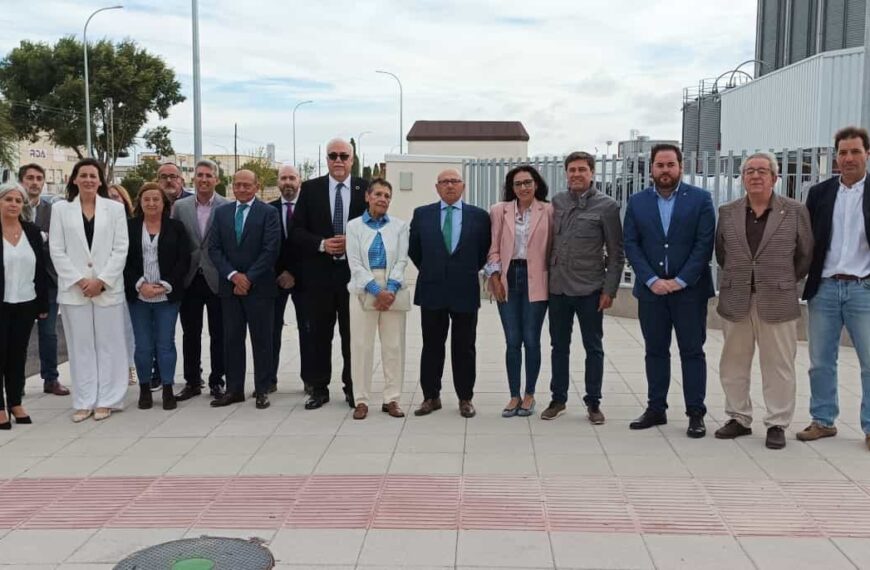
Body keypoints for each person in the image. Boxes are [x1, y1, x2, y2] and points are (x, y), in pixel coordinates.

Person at [714, 152, 813, 450]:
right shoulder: (727, 212)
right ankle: (738, 418)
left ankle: (777, 423)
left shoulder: (794, 211)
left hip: (778, 298)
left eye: (762, 171)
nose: (756, 176)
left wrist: (781, 280)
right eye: (750, 171)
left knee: (779, 365)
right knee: (733, 363)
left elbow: (805, 255)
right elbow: (722, 254)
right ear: (743, 177)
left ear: (775, 177)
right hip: (737, 298)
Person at [622, 144, 716, 438]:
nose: (665, 170)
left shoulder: (700, 199)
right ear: (651, 169)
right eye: (660, 165)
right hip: (652, 292)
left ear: (680, 167)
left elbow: (704, 245)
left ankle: (695, 413)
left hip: (689, 292)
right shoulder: (637, 202)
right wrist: (651, 279)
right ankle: (656, 408)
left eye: (670, 165)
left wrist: (681, 280)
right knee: (655, 351)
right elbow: (631, 244)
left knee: (692, 351)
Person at [799, 126, 870, 451]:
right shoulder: (820, 193)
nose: (849, 158)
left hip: (863, 289)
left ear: (867, 154)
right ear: (836, 157)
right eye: (843, 152)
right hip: (825, 288)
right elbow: (807, 241)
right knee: (820, 361)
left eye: (855, 151)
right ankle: (823, 420)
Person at [544, 152, 624, 422]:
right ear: (566, 173)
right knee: (559, 346)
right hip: (558, 288)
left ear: (592, 173)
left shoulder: (607, 206)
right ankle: (558, 399)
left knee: (593, 347)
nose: (576, 174)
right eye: (571, 170)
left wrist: (609, 290)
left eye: (582, 169)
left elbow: (616, 253)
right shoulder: (556, 202)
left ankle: (593, 402)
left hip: (590, 289)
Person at [49, 158, 129, 422]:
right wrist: (81, 280)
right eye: (83, 175)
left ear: (100, 181)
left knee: (109, 345)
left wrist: (102, 280)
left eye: (93, 176)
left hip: (107, 289)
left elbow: (120, 249)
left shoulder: (114, 210)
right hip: (76, 290)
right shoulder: (61, 209)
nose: (88, 180)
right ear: (74, 179)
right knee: (80, 346)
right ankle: (84, 401)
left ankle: (107, 399)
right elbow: (57, 250)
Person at [291, 139, 367, 410]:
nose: (338, 160)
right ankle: (319, 389)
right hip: (319, 277)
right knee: (319, 336)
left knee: (351, 335)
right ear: (326, 159)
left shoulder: (364, 189)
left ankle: (352, 388)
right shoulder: (310, 189)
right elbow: (297, 231)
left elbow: (375, 230)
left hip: (352, 276)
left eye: (343, 155)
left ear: (352, 158)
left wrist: (354, 241)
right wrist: (322, 244)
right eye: (332, 155)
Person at [409, 169, 491, 418]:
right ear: (437, 187)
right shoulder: (422, 214)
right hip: (432, 288)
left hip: (464, 289)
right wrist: (435, 269)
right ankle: (431, 397)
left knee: (464, 346)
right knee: (432, 345)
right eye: (444, 182)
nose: (450, 186)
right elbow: (415, 250)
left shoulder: (479, 216)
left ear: (463, 186)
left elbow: (483, 252)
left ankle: (465, 398)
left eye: (454, 181)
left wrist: (460, 270)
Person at [208, 169, 281, 410]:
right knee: (232, 340)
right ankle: (234, 389)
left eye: (246, 185)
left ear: (256, 186)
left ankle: (262, 390)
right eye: (237, 184)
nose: (241, 189)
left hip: (259, 288)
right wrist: (233, 276)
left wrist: (248, 278)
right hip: (230, 289)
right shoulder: (221, 213)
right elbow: (215, 249)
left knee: (262, 340)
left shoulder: (269, 213)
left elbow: (271, 250)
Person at [485, 166, 552, 418]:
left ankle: (530, 394)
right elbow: (492, 248)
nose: (523, 187)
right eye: (517, 184)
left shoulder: (548, 210)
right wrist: (495, 276)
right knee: (512, 340)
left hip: (537, 279)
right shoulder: (499, 211)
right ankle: (514, 395)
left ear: (536, 184)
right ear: (511, 188)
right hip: (508, 276)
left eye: (527, 182)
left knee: (531, 339)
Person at [346, 178, 410, 419]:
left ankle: (392, 399)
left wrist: (390, 289)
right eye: (378, 194)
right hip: (364, 287)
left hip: (392, 287)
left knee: (393, 346)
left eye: (387, 196)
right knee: (362, 346)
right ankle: (361, 399)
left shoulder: (399, 226)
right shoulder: (354, 226)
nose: (383, 199)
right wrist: (375, 290)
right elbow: (355, 262)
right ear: (368, 197)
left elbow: (402, 259)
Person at [124, 183, 190, 411]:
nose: (151, 203)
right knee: (143, 345)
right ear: (140, 203)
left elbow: (184, 259)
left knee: (165, 344)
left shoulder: (176, 227)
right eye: (147, 200)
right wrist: (140, 284)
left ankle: (168, 388)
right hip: (139, 296)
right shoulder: (129, 227)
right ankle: (144, 389)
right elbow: (123, 260)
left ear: (164, 204)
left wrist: (165, 284)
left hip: (166, 296)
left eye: (156, 200)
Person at [172, 159, 228, 401]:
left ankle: (217, 381)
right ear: (193, 179)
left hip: (216, 277)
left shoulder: (227, 206)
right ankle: (193, 381)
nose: (204, 179)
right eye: (200, 175)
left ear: (216, 180)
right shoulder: (180, 207)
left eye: (209, 175)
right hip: (190, 277)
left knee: (219, 333)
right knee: (190, 333)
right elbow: (175, 241)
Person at [0, 183, 49, 428]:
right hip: (2, 302)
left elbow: (40, 269)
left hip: (25, 302)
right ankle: (0, 407)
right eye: (8, 199)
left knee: (18, 356)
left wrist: (42, 303)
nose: (13, 204)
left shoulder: (31, 231)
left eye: (18, 201)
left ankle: (16, 402)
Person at [19, 163, 69, 396]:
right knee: (18, 333)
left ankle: (51, 378)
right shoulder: (11, 207)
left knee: (48, 333)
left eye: (39, 178)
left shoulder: (53, 211)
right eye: (30, 178)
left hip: (47, 281)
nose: (35, 182)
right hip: (17, 282)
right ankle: (15, 381)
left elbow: (60, 243)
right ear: (22, 181)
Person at [267, 163, 313, 395]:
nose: (287, 182)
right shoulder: (268, 210)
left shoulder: (309, 209)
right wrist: (280, 272)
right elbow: (265, 247)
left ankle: (310, 379)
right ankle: (269, 379)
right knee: (271, 330)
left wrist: (293, 272)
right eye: (283, 178)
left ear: (299, 182)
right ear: (278, 183)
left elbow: (311, 245)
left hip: (304, 279)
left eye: (291, 178)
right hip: (274, 280)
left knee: (308, 330)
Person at [106, 183, 138, 386]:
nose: (112, 200)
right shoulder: (96, 225)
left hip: (129, 282)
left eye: (116, 197)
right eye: (108, 197)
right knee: (108, 330)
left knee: (128, 328)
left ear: (124, 200)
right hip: (105, 283)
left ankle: (130, 367)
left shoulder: (133, 225)